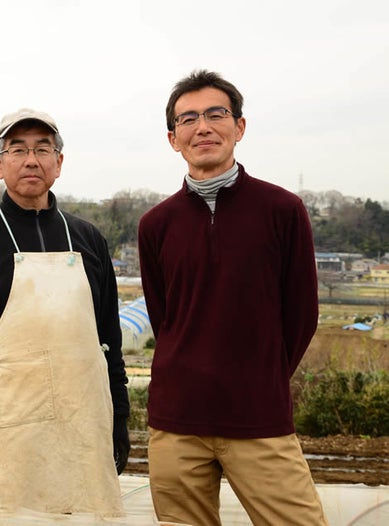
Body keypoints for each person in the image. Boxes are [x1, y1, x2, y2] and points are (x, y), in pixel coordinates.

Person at [138, 69, 328, 525]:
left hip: (258, 418)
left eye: (215, 114)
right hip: (176, 422)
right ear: (173, 139)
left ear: (239, 127)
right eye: (188, 119)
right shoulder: (156, 224)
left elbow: (302, 313)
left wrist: (261, 378)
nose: (202, 127)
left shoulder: (282, 210)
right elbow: (165, 317)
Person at [0, 108, 130, 516]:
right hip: (4, 430)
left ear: (59, 162)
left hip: (83, 428)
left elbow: (109, 340)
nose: (31, 160)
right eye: (18, 150)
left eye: (43, 149)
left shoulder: (89, 239)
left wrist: (120, 417)